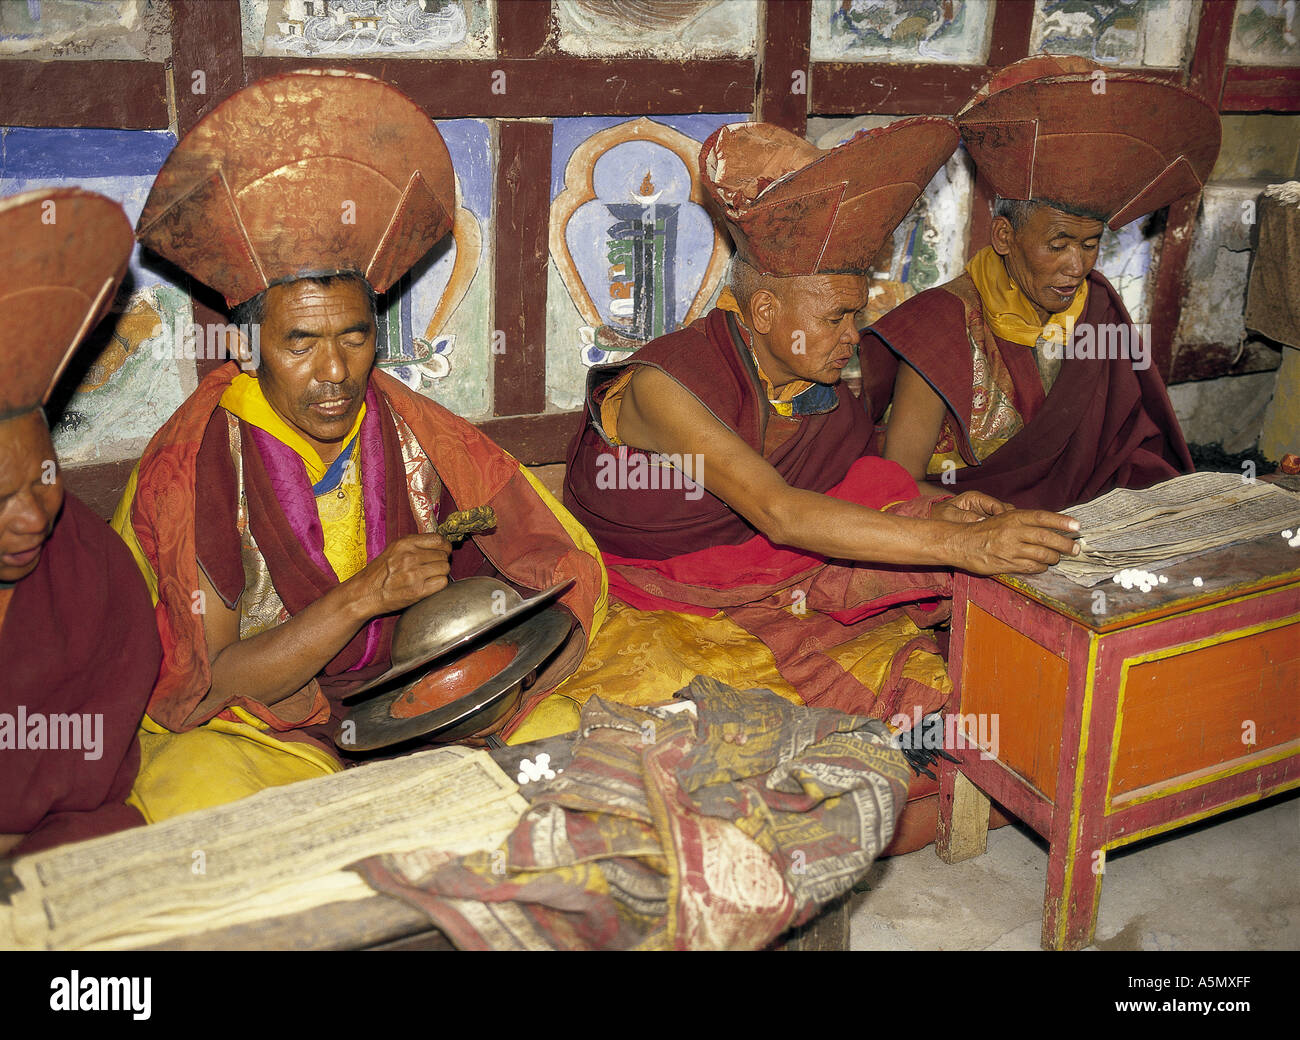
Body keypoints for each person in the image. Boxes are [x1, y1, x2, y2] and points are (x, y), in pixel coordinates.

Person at [115, 70, 605, 820]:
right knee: (201, 795)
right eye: (301, 343)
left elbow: (538, 554)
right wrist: (364, 597)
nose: (336, 373)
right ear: (249, 346)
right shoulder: (203, 463)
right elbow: (210, 684)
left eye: (355, 336)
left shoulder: (409, 423)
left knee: (570, 741)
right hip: (269, 726)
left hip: (418, 697)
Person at [549, 118, 1080, 730]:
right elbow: (781, 512)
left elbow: (864, 484)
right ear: (768, 310)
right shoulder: (666, 384)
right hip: (663, 590)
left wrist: (950, 510)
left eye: (854, 317)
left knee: (930, 675)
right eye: (836, 318)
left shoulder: (813, 392)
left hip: (770, 573)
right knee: (746, 711)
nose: (853, 338)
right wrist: (963, 544)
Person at [862, 55, 1218, 510]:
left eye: (1090, 245)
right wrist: (1006, 523)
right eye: (1058, 244)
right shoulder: (940, 323)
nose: (1076, 267)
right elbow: (900, 485)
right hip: (973, 528)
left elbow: (1131, 449)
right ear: (1005, 236)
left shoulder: (1096, 306)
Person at [0, 188, 161, 857]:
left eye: (44, 477)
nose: (33, 516)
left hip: (59, 844)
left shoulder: (93, 571)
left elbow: (95, 781)